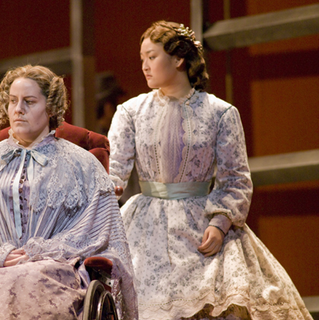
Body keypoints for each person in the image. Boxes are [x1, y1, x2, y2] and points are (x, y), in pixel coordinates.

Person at [107, 20, 312, 320]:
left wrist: (219, 223)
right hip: (146, 224)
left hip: (200, 222)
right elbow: (114, 172)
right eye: (142, 59)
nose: (145, 66)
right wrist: (103, 193)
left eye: (152, 57)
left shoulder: (220, 113)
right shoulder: (130, 112)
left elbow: (236, 179)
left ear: (177, 59)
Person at [0, 65, 138, 320]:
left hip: (52, 267)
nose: (18, 109)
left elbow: (95, 225)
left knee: (31, 278)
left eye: (29, 102)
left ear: (50, 107)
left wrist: (39, 252)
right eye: (12, 101)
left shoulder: (81, 164)